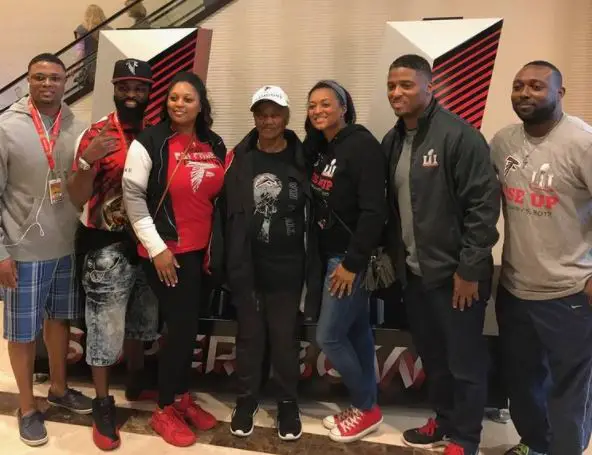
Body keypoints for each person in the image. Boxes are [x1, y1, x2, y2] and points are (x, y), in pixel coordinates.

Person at [382, 54, 500, 455]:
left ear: (429, 87)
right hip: (416, 274)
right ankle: (445, 421)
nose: (396, 93)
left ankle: (465, 438)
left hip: (457, 277)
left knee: (464, 361)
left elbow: (483, 207)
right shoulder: (393, 139)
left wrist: (469, 269)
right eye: (391, 86)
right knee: (434, 357)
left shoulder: (459, 136)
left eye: (406, 85)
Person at [490, 60, 592, 455]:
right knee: (522, 382)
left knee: (569, 389)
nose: (525, 93)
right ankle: (534, 444)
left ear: (559, 93)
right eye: (518, 86)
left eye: (536, 86)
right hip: (515, 290)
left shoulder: (582, 142)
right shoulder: (503, 142)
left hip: (568, 294)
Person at [123, 71, 225, 447]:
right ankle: (166, 407)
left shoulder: (213, 142)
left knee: (187, 329)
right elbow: (132, 200)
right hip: (166, 253)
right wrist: (158, 249)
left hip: (200, 254)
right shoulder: (149, 141)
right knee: (180, 330)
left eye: (187, 99)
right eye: (173, 98)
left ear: (201, 104)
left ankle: (181, 397)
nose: (179, 104)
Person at [0, 53, 92, 447]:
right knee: (22, 334)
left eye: (55, 77)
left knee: (59, 323)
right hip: (21, 249)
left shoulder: (77, 126)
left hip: (65, 245)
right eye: (40, 77)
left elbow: (78, 190)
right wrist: (1, 252)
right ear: (28, 80)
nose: (48, 84)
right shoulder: (6, 127)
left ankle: (58, 388)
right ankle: (27, 406)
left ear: (66, 79)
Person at [66, 59, 158, 450]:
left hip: (149, 245)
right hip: (105, 246)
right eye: (125, 87)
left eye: (139, 87)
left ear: (150, 90)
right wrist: (88, 159)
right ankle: (103, 404)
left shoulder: (158, 133)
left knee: (143, 321)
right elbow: (75, 196)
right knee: (104, 330)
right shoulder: (96, 131)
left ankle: (136, 381)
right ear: (114, 88)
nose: (132, 95)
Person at [225, 85, 321, 441]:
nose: (268, 120)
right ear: (254, 117)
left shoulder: (303, 158)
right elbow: (226, 214)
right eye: (261, 113)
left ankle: (286, 403)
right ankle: (246, 401)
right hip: (248, 265)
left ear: (286, 118)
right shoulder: (240, 158)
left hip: (289, 267)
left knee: (283, 340)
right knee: (249, 338)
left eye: (275, 113)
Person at [306, 80, 386, 443]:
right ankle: (365, 404)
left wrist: (351, 264)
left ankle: (367, 408)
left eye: (326, 104)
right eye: (312, 106)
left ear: (343, 107)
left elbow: (373, 211)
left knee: (329, 335)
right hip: (332, 255)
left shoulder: (362, 146)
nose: (318, 110)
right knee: (356, 333)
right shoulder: (326, 148)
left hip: (348, 260)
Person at [74, 5, 110, 88]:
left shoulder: (81, 29)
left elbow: (80, 51)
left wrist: (75, 68)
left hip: (89, 67)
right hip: (105, 66)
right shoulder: (108, 29)